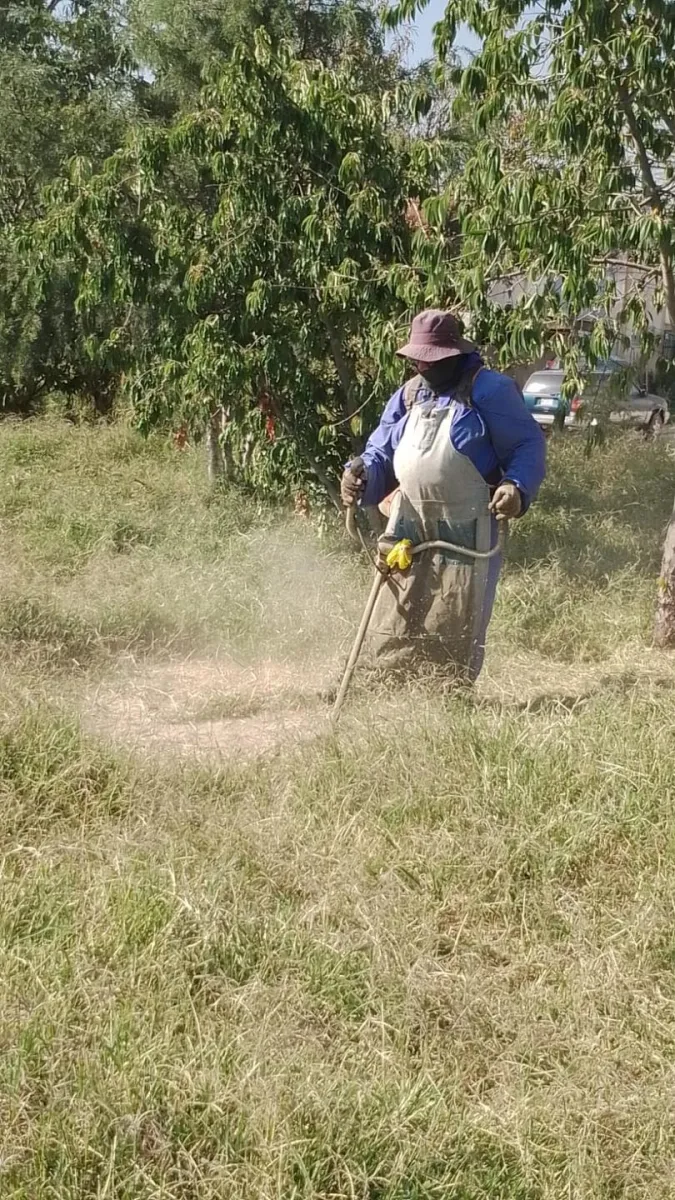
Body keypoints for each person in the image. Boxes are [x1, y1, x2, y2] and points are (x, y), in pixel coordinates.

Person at [340, 309, 546, 681]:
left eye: (432, 360)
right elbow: (380, 454)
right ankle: (379, 682)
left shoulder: (490, 390)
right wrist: (360, 476)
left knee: (454, 613)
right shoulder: (409, 395)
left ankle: (445, 694)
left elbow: (527, 446)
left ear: (455, 354)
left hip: (466, 526)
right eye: (418, 359)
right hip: (409, 522)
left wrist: (515, 486)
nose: (423, 366)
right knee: (395, 606)